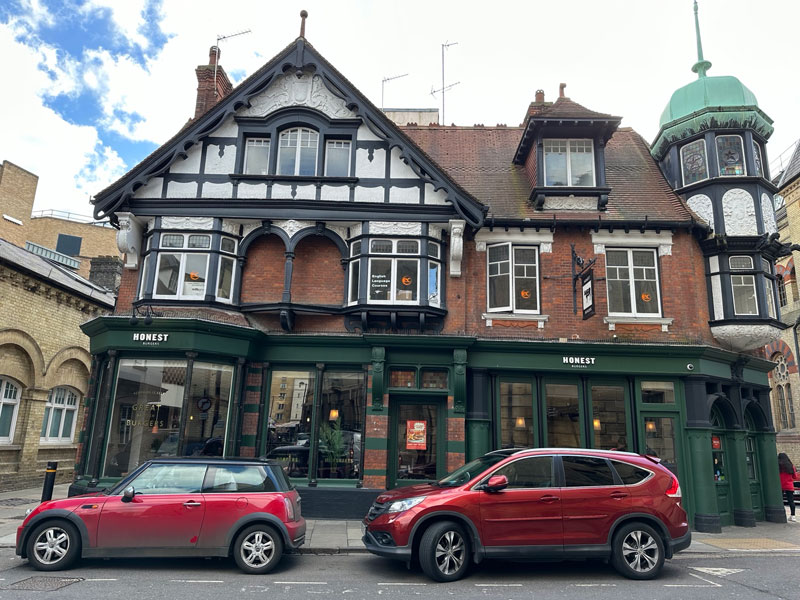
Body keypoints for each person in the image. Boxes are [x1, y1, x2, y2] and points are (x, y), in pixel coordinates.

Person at [778, 452, 798, 522]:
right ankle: (793, 516)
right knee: (791, 501)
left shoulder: (778, 466)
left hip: (780, 485)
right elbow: (795, 477)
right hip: (789, 485)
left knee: (780, 501)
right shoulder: (791, 466)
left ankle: (781, 514)